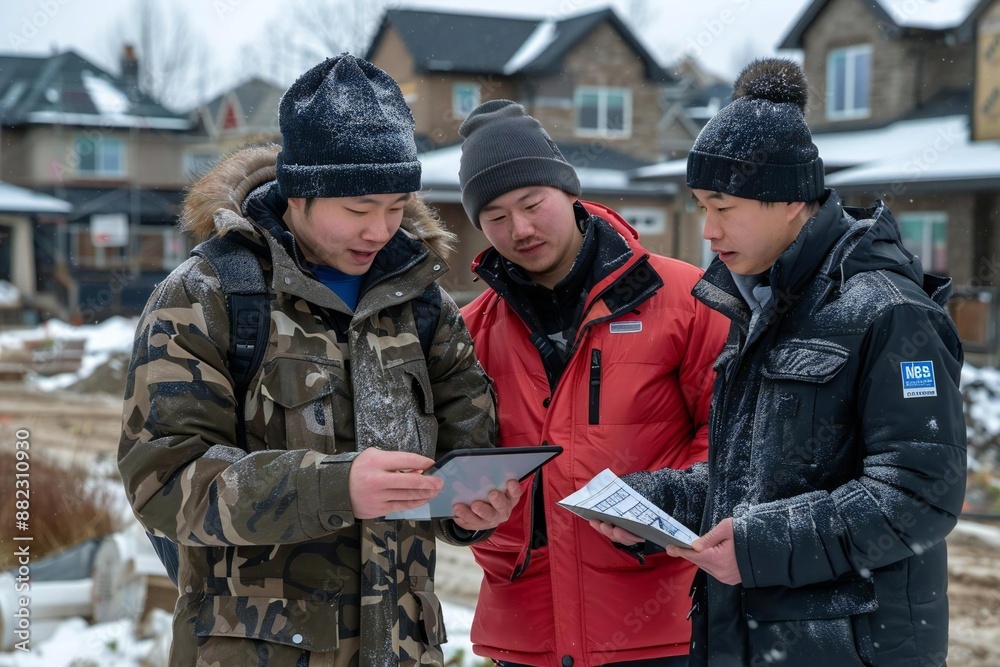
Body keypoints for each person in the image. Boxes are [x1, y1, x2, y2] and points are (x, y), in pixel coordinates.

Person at [118, 54, 519, 667]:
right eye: (358, 210)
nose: (380, 230)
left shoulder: (423, 304)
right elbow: (163, 481)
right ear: (298, 194)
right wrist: (334, 486)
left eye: (396, 207)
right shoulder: (209, 296)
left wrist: (470, 507)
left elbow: (461, 453)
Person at [594, 58, 967, 667]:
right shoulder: (763, 306)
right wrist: (658, 502)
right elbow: (756, 479)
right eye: (700, 207)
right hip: (744, 642)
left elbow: (920, 496)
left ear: (791, 199)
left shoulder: (890, 312)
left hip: (850, 649)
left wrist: (757, 547)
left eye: (723, 207)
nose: (708, 230)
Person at [456, 99, 730, 667]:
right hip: (524, 634)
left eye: (533, 204)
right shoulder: (467, 331)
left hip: (665, 623)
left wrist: (664, 502)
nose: (520, 229)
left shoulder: (686, 300)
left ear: (569, 194)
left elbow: (734, 436)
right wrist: (461, 515)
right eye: (495, 217)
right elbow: (448, 464)